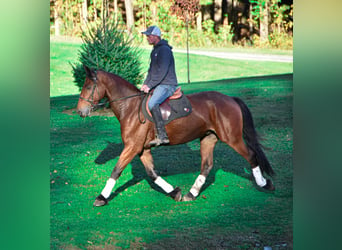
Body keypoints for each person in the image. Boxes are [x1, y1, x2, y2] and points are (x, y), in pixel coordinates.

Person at [140, 26, 179, 146]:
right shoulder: (155, 51)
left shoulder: (164, 50)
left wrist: (151, 85)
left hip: (167, 84)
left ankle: (162, 136)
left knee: (152, 103)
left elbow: (162, 71)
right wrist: (145, 84)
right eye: (147, 36)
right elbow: (151, 71)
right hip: (159, 84)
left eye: (149, 36)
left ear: (156, 36)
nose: (147, 38)